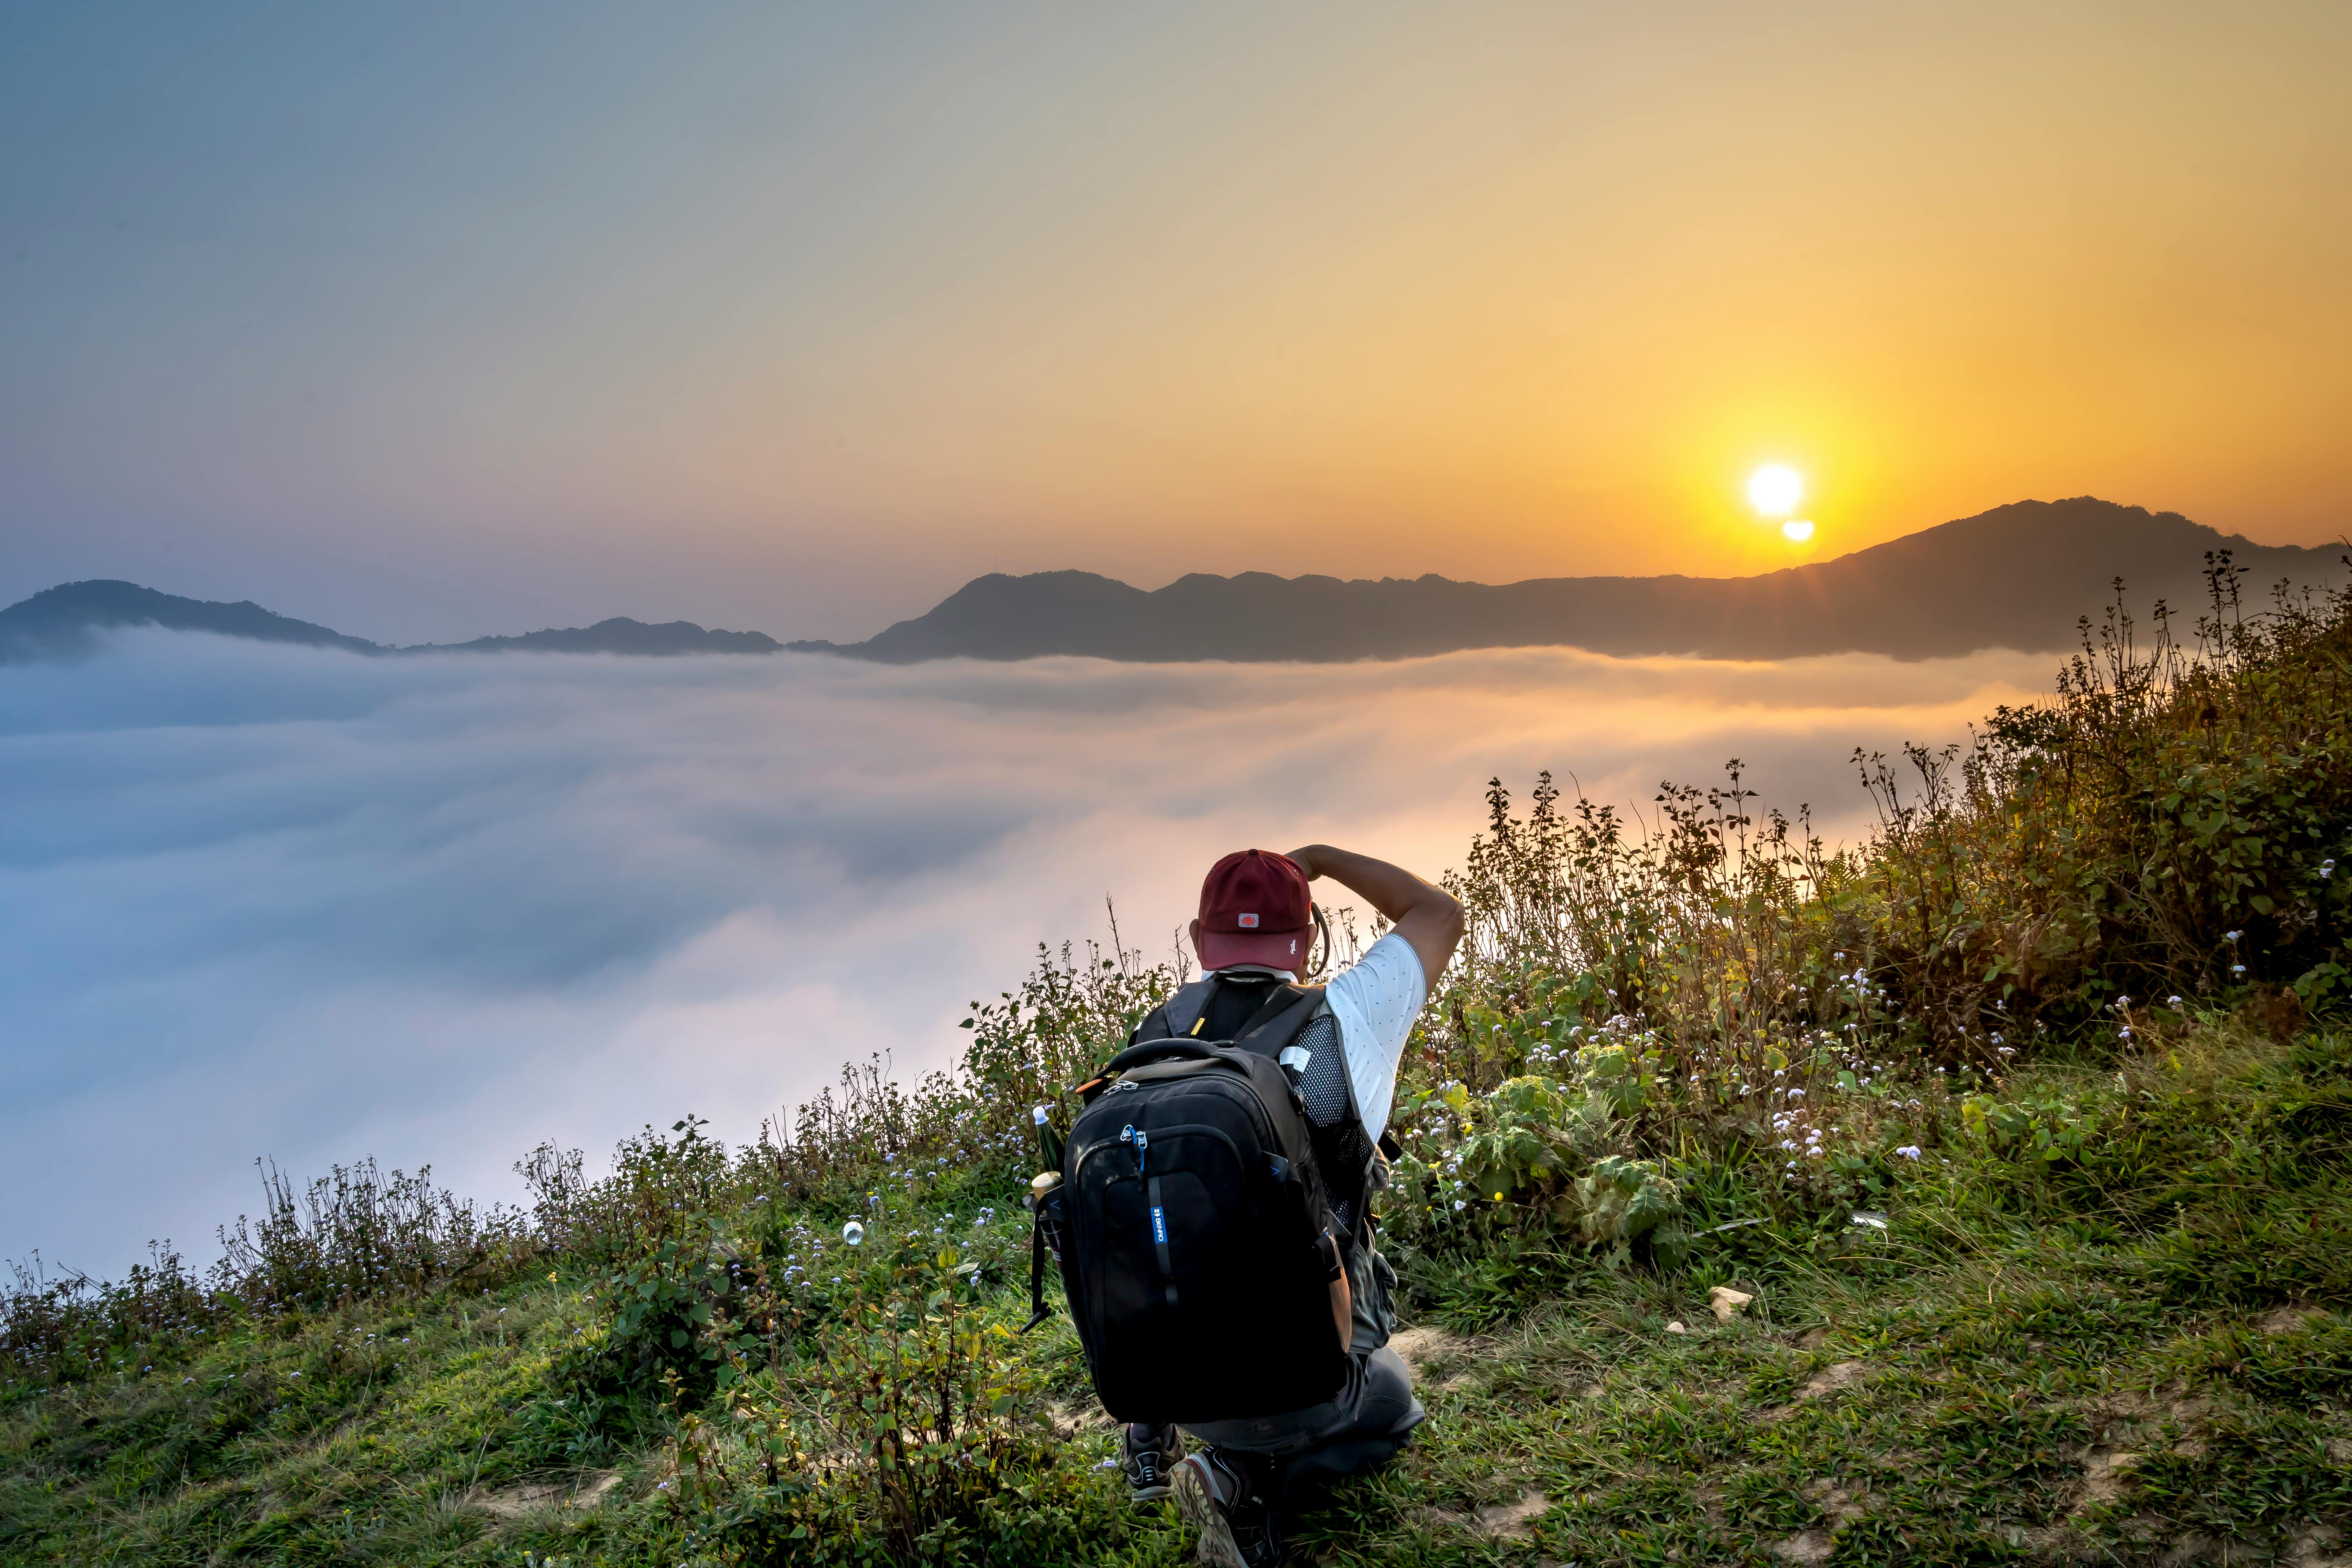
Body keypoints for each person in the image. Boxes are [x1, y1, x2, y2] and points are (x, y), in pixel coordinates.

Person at [1122, 844, 1465, 1568]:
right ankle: (1243, 1479)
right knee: (1393, 1401)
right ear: (1308, 939)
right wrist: (1323, 860)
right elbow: (1440, 912)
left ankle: (1156, 1441)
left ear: (1198, 939)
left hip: (1174, 1378)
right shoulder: (1348, 1014)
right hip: (1309, 1372)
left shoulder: (1151, 1040)